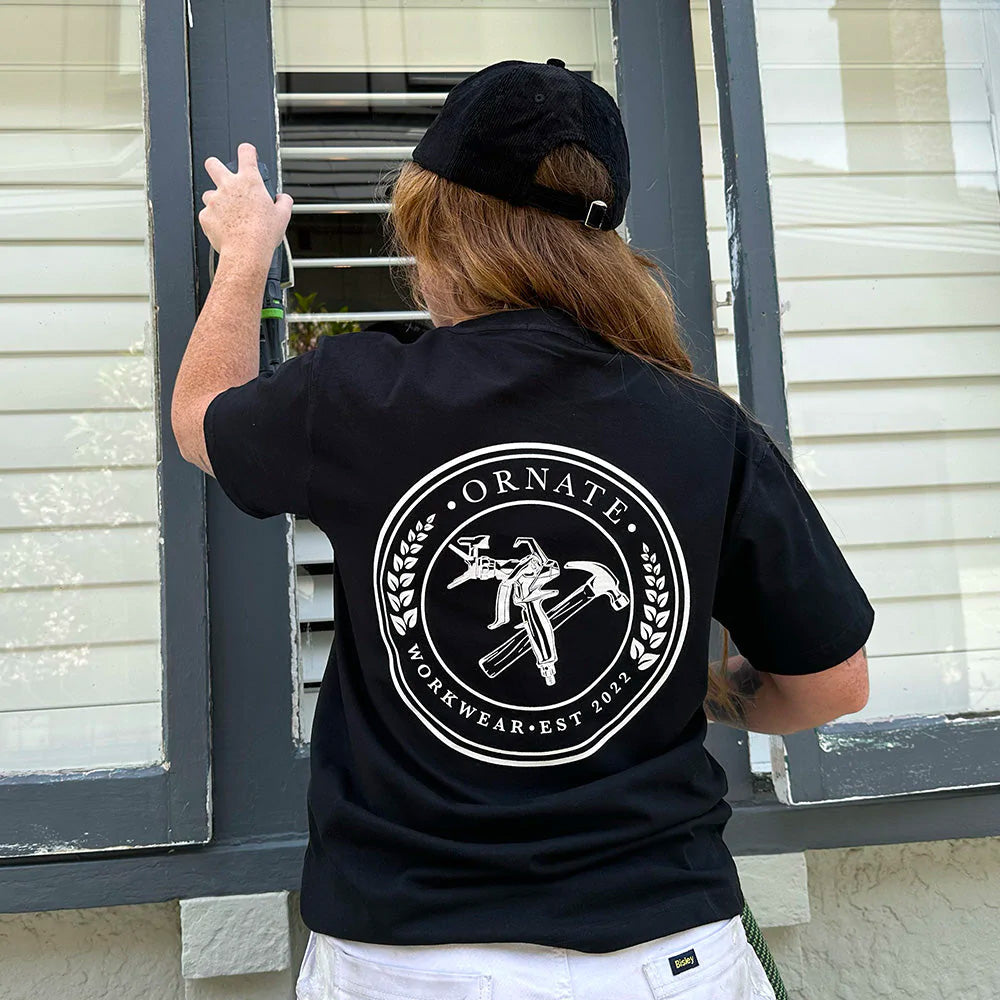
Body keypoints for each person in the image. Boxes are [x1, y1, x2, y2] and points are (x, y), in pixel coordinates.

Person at [172, 57, 874, 1000]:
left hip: (407, 962)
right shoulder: (704, 426)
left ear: (437, 228)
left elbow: (202, 417)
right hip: (666, 955)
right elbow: (831, 685)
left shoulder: (359, 396)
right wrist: (697, 691)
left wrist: (247, 254)